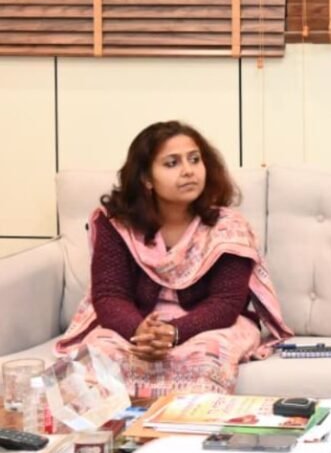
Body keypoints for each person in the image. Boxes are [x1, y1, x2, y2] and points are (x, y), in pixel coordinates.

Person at [56, 121, 293, 399]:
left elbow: (226, 303)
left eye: (194, 159)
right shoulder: (117, 225)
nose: (189, 171)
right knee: (98, 357)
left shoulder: (228, 227)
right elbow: (109, 295)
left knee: (205, 358)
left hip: (211, 326)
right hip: (136, 324)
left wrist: (174, 333)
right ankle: (118, 425)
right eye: (172, 163)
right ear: (146, 178)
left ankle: (187, 424)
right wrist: (140, 332)